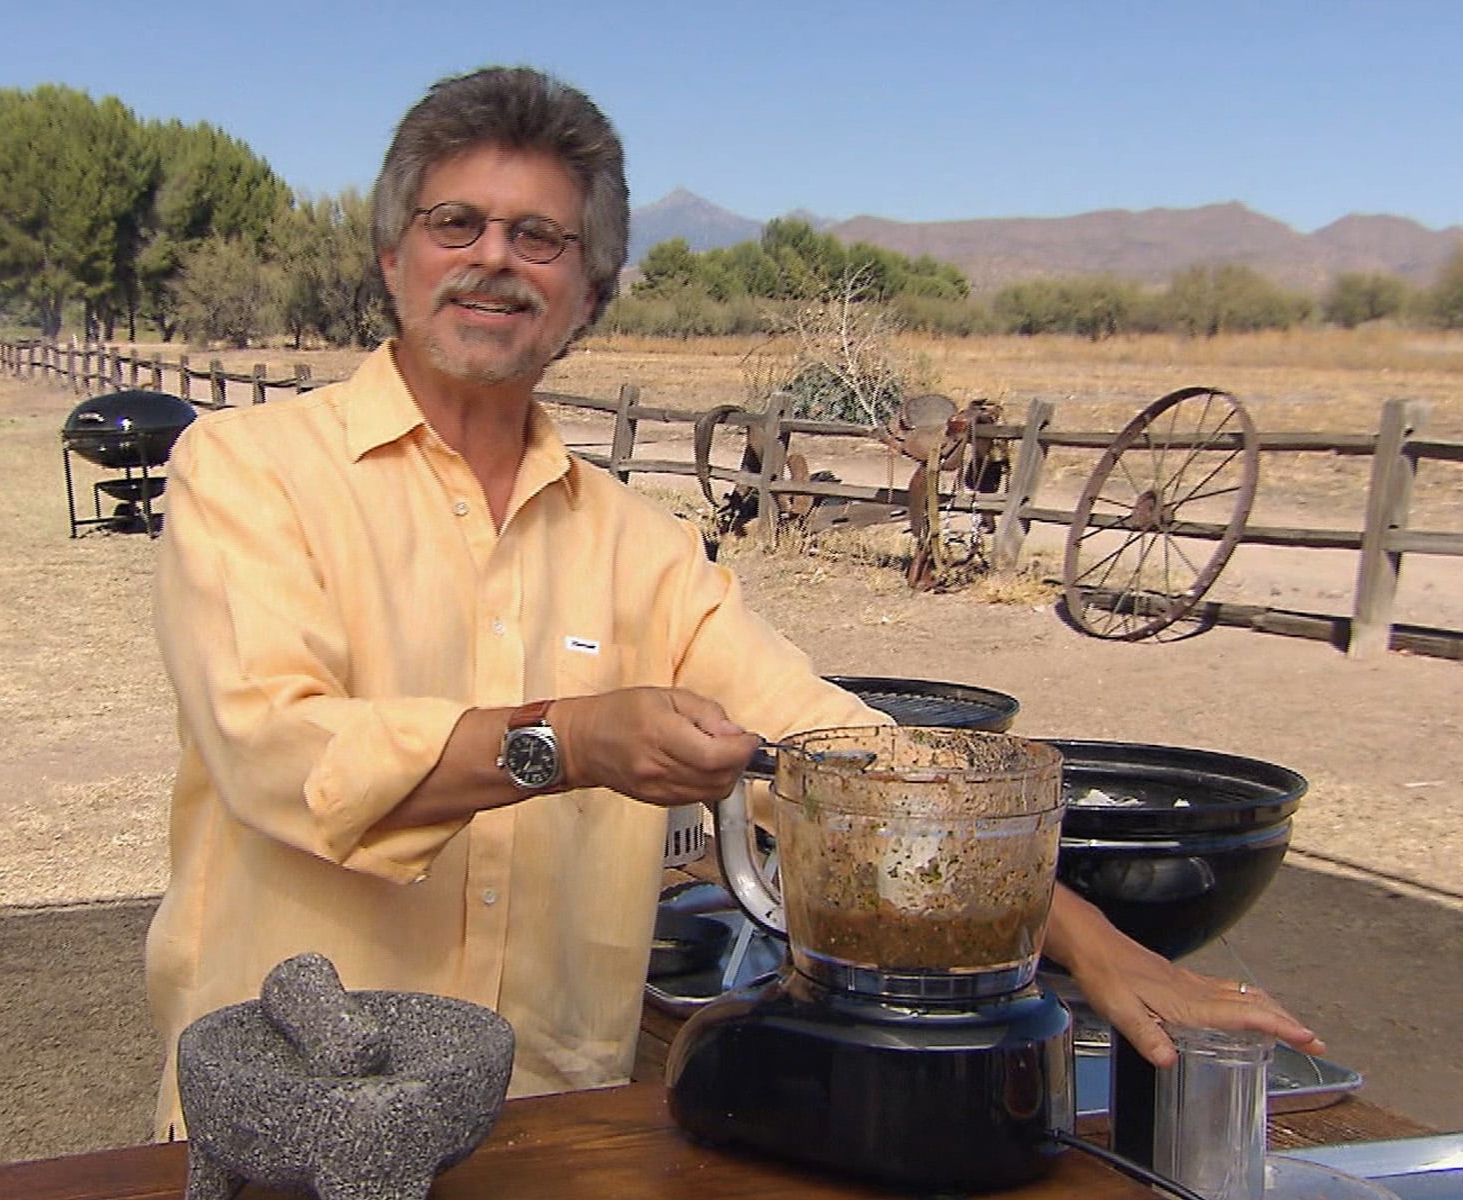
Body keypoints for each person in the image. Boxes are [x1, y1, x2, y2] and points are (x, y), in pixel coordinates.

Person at [144, 65, 1322, 1137]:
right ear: (391, 257)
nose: (493, 258)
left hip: (553, 1126)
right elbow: (277, 747)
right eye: (455, 223)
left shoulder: (642, 548)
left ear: (590, 293)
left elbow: (836, 757)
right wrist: (569, 742)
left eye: (540, 237)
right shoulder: (250, 472)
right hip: (292, 1119)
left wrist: (1093, 945)